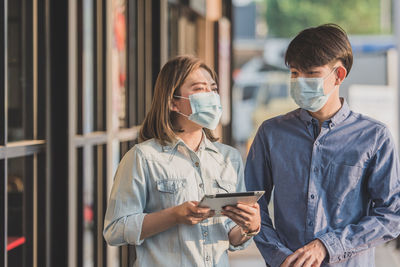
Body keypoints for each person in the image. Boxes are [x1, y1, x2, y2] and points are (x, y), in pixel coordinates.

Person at [245, 24, 400, 267]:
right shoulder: (271, 133)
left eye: (311, 74)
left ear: (339, 75)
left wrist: (328, 245)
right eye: (295, 73)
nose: (300, 81)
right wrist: (279, 256)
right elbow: (252, 205)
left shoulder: (374, 137)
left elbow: (392, 215)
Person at [103, 55, 261, 267]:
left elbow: (230, 236)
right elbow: (115, 230)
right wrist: (174, 216)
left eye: (213, 89)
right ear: (173, 102)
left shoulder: (229, 158)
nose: (211, 96)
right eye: (199, 89)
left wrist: (249, 228)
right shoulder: (143, 157)